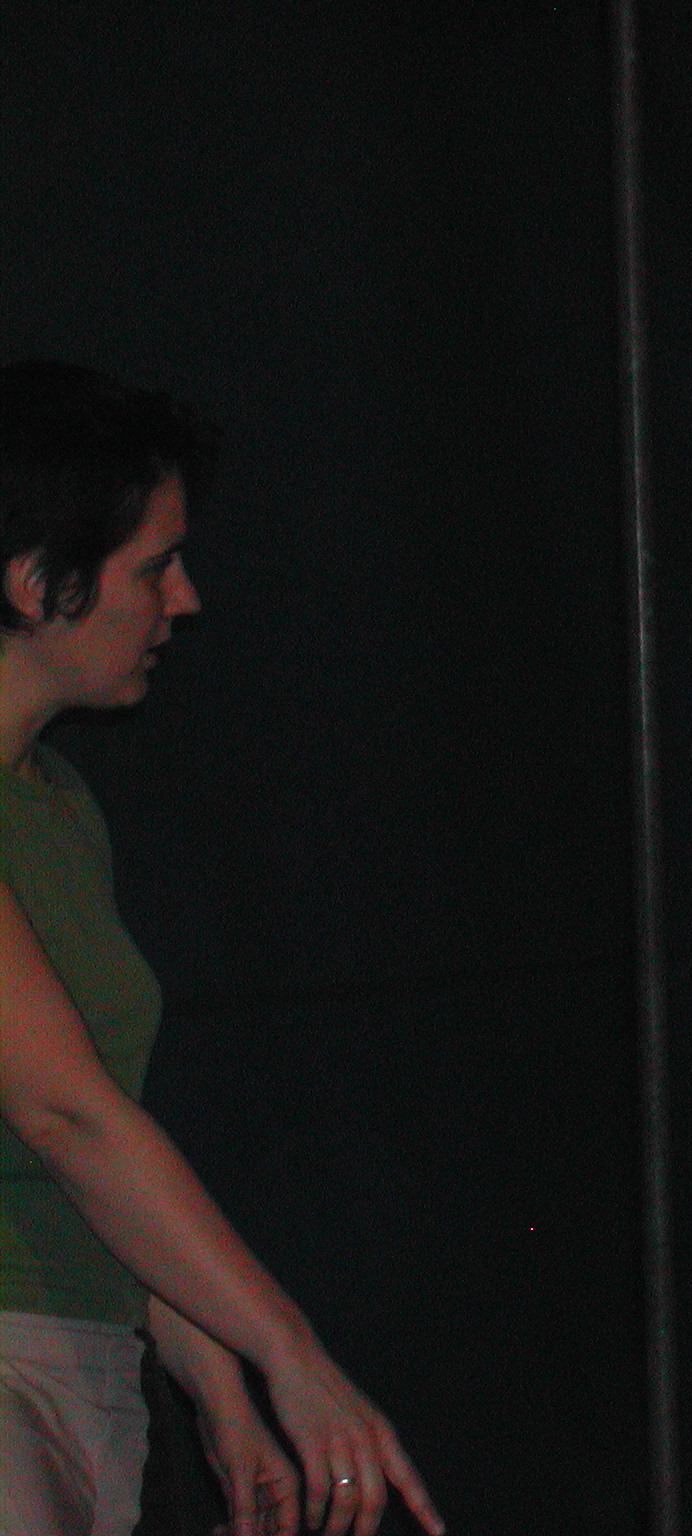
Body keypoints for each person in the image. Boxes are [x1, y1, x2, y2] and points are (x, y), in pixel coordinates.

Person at [0, 360, 442, 1536]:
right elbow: (65, 1115)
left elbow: (94, 1166)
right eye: (154, 567)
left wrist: (217, 1381)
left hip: (78, 1369)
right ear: (38, 583)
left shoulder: (55, 805)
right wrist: (292, 1356)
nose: (184, 600)